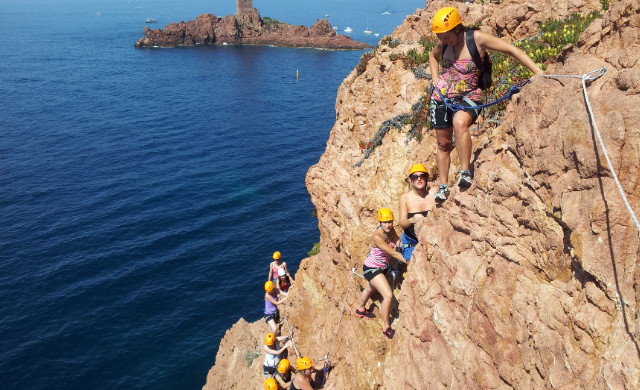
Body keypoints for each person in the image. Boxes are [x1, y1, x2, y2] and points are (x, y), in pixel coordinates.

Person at [428, 6, 543, 202]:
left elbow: (511, 49)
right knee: (443, 144)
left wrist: (538, 72)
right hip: (441, 98)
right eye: (440, 37)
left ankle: (465, 172)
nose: (443, 40)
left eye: (446, 36)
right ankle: (443, 185)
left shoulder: (476, 39)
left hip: (468, 96)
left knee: (460, 124)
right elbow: (433, 56)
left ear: (457, 29)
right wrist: (435, 77)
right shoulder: (444, 44)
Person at [354, 208, 407, 339]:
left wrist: (406, 247)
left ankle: (360, 309)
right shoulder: (377, 236)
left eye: (390, 221)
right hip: (372, 268)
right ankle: (386, 327)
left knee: (370, 288)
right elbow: (393, 253)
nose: (388, 225)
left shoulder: (390, 230)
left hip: (381, 267)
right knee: (388, 295)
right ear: (379, 222)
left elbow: (397, 241)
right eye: (384, 222)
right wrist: (408, 261)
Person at [398, 164, 437, 261]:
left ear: (427, 178)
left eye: (422, 176)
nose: (419, 179)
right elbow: (402, 223)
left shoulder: (434, 192)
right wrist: (412, 220)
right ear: (411, 180)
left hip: (431, 237)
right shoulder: (405, 197)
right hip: (411, 240)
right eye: (415, 177)